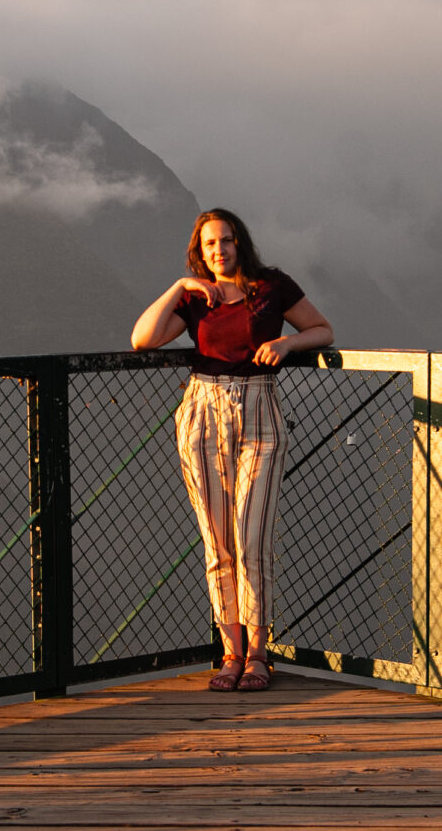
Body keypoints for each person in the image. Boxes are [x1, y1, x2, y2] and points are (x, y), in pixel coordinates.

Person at [130, 208, 335, 692]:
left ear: (240, 242)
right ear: (198, 252)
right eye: (208, 245)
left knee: (252, 537)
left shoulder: (271, 286)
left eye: (225, 240)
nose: (218, 250)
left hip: (261, 412)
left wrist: (287, 344)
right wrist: (179, 287)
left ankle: (259, 654)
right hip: (202, 412)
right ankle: (230, 653)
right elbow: (141, 339)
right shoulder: (195, 298)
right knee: (218, 542)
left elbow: (323, 330)